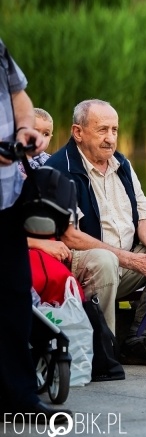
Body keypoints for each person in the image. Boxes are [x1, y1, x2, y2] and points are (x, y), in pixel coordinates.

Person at [48, 99, 146, 366]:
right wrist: (130, 259)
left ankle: (141, 338)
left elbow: (144, 214)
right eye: (102, 130)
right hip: (82, 262)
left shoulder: (122, 164)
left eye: (114, 130)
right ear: (78, 132)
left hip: (124, 260)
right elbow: (70, 236)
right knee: (105, 260)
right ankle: (103, 348)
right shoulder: (60, 169)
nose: (110, 138)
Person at [0, 38, 68, 421]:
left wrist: (25, 131)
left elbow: (20, 97)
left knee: (13, 298)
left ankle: (19, 397)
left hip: (7, 199)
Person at [25, 107, 84, 305]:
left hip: (50, 235)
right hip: (24, 241)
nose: (40, 138)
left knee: (63, 278)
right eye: (34, 131)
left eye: (46, 134)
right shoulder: (10, 168)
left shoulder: (54, 165)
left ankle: (71, 326)